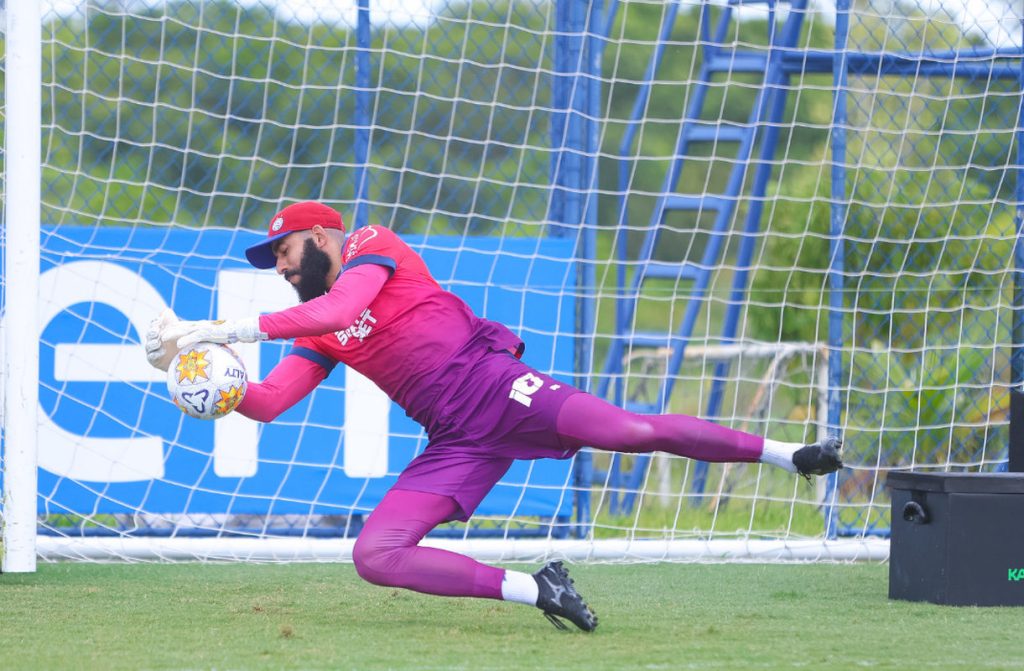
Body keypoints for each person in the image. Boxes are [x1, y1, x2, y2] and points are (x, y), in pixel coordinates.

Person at [145, 201, 843, 632]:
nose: (280, 269)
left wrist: (226, 330)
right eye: (273, 263)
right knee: (374, 555)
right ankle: (538, 586)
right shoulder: (313, 332)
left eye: (285, 254)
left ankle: (791, 456)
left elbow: (335, 307)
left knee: (631, 431)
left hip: (500, 386)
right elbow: (266, 401)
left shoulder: (369, 245)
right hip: (455, 438)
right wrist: (187, 373)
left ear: (322, 236)